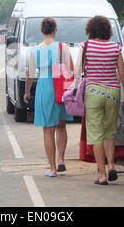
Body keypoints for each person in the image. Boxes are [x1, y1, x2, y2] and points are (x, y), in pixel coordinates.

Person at [74, 16, 124, 185]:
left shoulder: (86, 46)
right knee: (109, 132)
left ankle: (102, 175)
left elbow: (77, 71)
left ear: (90, 29)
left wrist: (75, 90)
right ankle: (111, 165)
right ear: (108, 30)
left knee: (96, 135)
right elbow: (122, 74)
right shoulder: (115, 47)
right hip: (113, 92)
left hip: (93, 92)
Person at [24, 18, 74, 177]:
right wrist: (68, 91)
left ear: (41, 30)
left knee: (47, 129)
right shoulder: (62, 47)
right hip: (59, 86)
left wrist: (26, 92)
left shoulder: (35, 50)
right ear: (55, 30)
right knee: (61, 125)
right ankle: (61, 159)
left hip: (44, 87)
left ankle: (52, 168)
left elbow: (30, 75)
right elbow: (71, 70)